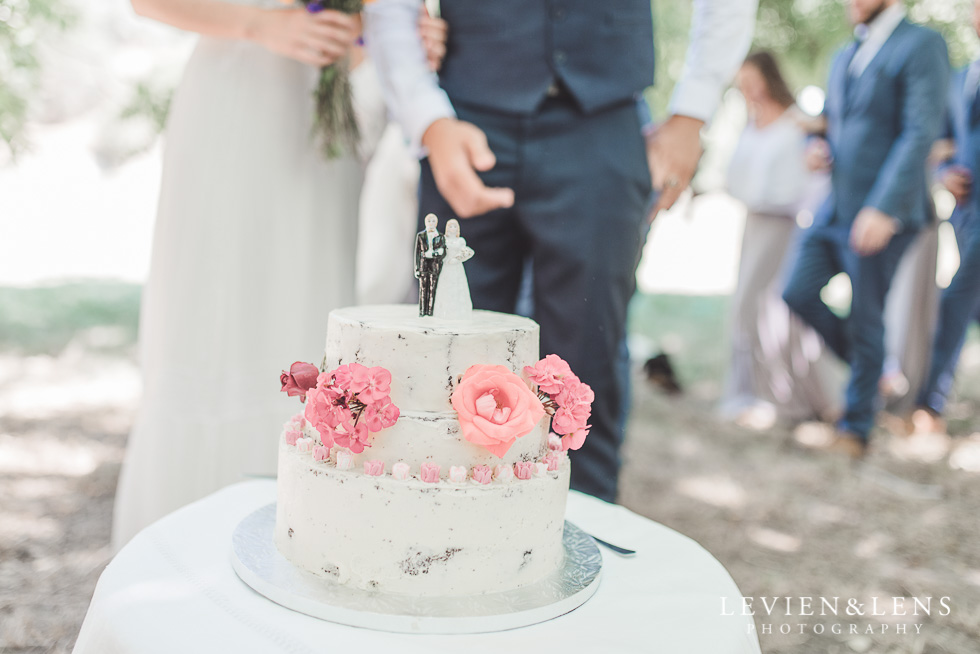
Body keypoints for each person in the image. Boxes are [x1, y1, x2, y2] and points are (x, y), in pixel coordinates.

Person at [366, 0, 758, 502]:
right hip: (464, 120)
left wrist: (692, 113)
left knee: (588, 356)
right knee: (450, 350)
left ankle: (587, 531)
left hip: (604, 124)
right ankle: (446, 531)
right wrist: (428, 121)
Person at [112, 0, 446, 549]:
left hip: (322, 126)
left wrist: (395, 42)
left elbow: (371, 26)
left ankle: (303, 528)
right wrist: (260, 22)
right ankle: (185, 542)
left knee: (307, 304)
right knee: (219, 314)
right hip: (234, 100)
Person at [781, 0, 949, 458]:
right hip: (835, 206)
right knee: (796, 291)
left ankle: (855, 428)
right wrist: (813, 144)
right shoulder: (843, 53)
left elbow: (920, 132)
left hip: (884, 212)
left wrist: (883, 208)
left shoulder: (923, 44)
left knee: (866, 315)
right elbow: (830, 123)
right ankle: (870, 374)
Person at [721, 51, 839, 426]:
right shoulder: (750, 124)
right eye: (742, 84)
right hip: (753, 223)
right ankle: (758, 393)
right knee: (761, 310)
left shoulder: (796, 123)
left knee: (762, 307)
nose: (749, 91)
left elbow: (818, 166)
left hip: (783, 224)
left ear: (770, 78)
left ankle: (767, 395)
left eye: (753, 82)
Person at [913, 0, 980, 435]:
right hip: (965, 212)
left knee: (956, 297)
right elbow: (944, 140)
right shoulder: (962, 75)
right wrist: (942, 174)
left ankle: (929, 405)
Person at [432, 218, 475, 319]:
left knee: (457, 287)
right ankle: (443, 312)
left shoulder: (460, 241)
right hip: (446, 266)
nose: (452, 228)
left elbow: (467, 251)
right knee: (445, 287)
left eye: (455, 226)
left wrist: (457, 258)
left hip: (456, 267)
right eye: (450, 226)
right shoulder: (444, 240)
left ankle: (459, 312)